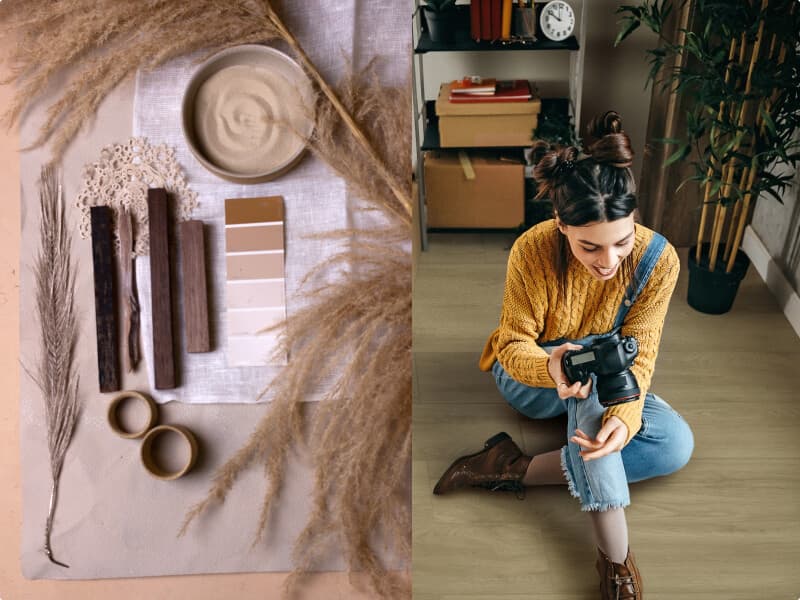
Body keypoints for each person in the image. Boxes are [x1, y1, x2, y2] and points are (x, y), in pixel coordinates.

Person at [432, 111, 694, 600]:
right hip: (532, 379)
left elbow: (642, 355)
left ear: (634, 218)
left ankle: (509, 466)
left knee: (674, 444)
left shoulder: (658, 260)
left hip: (606, 370)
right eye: (589, 247)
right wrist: (551, 366)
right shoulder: (532, 249)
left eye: (621, 241)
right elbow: (512, 345)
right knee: (593, 376)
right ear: (561, 224)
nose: (609, 261)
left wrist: (624, 414)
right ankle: (617, 564)